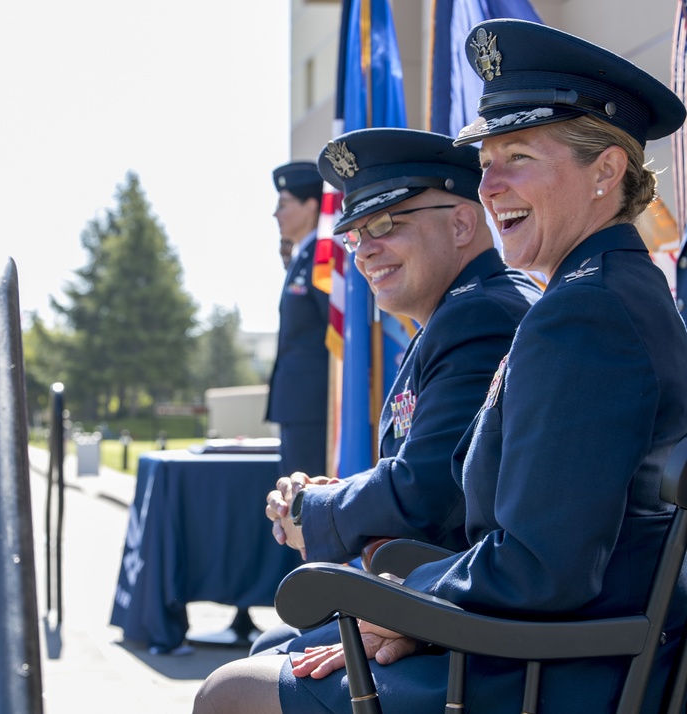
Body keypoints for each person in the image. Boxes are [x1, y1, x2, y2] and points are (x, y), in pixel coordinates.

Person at [194, 19, 687, 713]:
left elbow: (541, 567)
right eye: (486, 163)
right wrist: (406, 602)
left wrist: (405, 605)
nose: (490, 186)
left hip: (561, 667)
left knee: (230, 693)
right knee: (268, 666)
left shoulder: (586, 312)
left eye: (518, 156)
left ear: (605, 171)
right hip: (560, 643)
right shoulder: (602, 292)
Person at [248, 128, 541, 657]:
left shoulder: (478, 316)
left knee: (246, 675)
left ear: (461, 223)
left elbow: (431, 487)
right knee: (271, 648)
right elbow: (437, 467)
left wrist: (315, 509)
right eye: (355, 236)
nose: (364, 252)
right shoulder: (456, 313)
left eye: (385, 224)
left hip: (477, 620)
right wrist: (336, 493)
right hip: (449, 596)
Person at [266, 161, 330, 478]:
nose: (275, 214)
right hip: (297, 405)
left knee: (305, 493)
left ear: (310, 206)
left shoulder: (322, 259)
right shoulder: (302, 257)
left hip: (313, 407)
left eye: (283, 204)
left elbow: (334, 330)